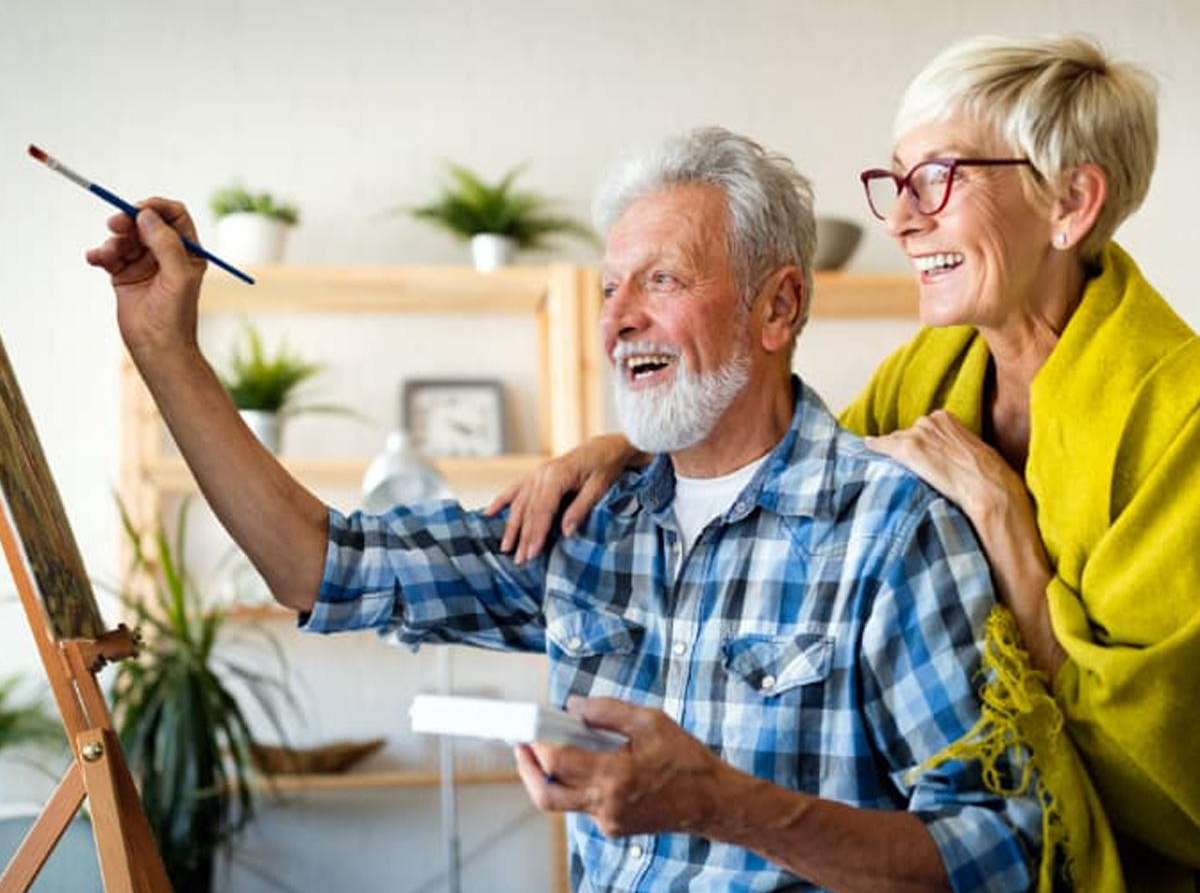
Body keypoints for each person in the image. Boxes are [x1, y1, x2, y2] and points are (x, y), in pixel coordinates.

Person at [88, 127, 1042, 892]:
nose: (618, 317)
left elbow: (1000, 854)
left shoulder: (892, 532)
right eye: (607, 287)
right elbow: (317, 564)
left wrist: (724, 804)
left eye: (662, 279)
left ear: (777, 308)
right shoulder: (588, 521)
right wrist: (165, 346)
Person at [488, 35, 1200, 892]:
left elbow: (1166, 767)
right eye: (896, 183)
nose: (900, 218)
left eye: (938, 178)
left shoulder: (1179, 416)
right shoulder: (930, 371)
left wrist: (1005, 524)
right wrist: (633, 442)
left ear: (1072, 203)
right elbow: (793, 456)